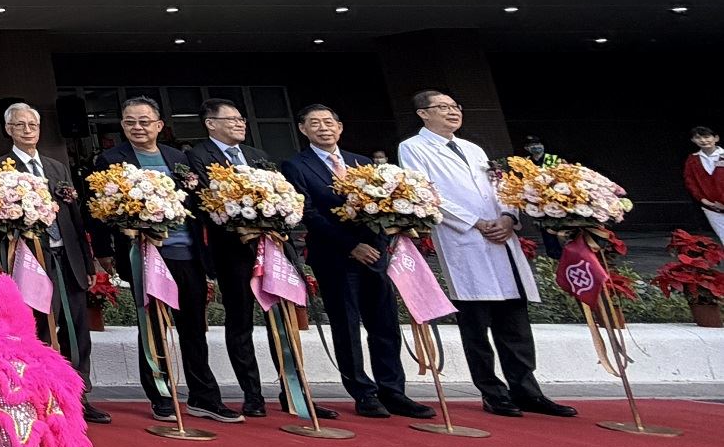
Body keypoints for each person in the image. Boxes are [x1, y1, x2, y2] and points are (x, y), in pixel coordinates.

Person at [397, 91, 575, 419]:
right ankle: (492, 392)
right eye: (443, 108)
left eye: (455, 107)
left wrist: (508, 217)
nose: (452, 112)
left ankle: (527, 390)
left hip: (501, 239)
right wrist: (475, 222)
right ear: (423, 113)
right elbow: (426, 193)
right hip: (464, 240)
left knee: (515, 324)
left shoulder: (473, 148)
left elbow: (500, 187)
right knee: (476, 326)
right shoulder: (413, 148)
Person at [94, 96, 243, 424]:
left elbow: (198, 204)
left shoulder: (179, 158)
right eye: (130, 122)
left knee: (194, 327)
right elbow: (100, 211)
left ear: (159, 125)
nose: (138, 127)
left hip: (186, 253)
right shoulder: (110, 160)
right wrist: (105, 251)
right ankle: (161, 395)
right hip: (144, 256)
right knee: (152, 327)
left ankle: (204, 397)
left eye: (144, 121)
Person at [281, 105, 433, 420]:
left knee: (385, 324)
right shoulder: (295, 166)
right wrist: (351, 246)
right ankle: (363, 392)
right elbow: (308, 213)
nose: (323, 128)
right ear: (303, 129)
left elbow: (385, 206)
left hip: (376, 255)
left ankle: (393, 391)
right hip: (334, 256)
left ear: (339, 127)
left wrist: (386, 238)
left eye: (329, 122)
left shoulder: (362, 163)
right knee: (347, 326)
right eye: (314, 123)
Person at [0, 101, 111, 426]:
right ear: (8, 129)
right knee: (41, 329)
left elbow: (75, 216)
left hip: (68, 257)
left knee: (77, 330)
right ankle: (42, 395)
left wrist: (87, 262)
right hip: (33, 261)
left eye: (32, 125)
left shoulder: (56, 167)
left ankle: (78, 395)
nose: (27, 131)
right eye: (20, 125)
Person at [186, 98, 273, 417]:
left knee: (280, 319)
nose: (240, 123)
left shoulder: (257, 156)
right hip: (231, 251)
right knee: (241, 320)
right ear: (211, 124)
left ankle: (294, 389)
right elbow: (205, 201)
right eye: (232, 119)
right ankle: (252, 393)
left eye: (241, 119)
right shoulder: (197, 156)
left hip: (270, 247)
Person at [685, 126, 724, 250]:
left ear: (716, 138)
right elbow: (690, 182)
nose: (703, 140)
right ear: (693, 140)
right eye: (698, 138)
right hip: (711, 207)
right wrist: (703, 200)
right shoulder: (693, 159)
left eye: (707, 137)